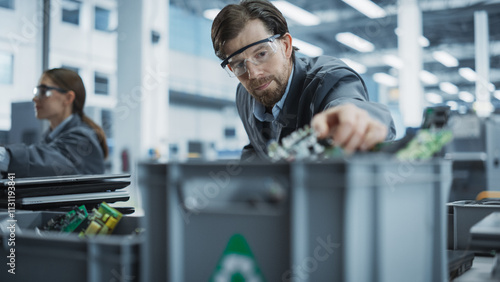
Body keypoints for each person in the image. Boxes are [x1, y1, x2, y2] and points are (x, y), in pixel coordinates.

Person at [211, 0, 396, 161]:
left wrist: (358, 119)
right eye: (239, 65)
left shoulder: (329, 78)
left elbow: (350, 105)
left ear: (285, 46)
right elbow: (259, 149)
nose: (253, 73)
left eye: (261, 54)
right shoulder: (244, 95)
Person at [0, 68, 108, 178]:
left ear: (68, 98)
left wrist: (4, 156)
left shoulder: (83, 139)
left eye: (43, 91)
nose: (35, 98)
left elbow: (49, 163)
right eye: (36, 92)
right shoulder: (51, 137)